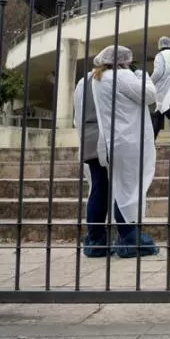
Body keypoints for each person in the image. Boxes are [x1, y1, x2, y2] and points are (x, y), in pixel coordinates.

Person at [87, 45, 160, 258]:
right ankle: (128, 237)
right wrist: (143, 76)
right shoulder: (122, 75)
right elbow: (149, 95)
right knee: (128, 188)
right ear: (121, 61)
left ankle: (110, 237)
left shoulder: (97, 78)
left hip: (110, 140)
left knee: (116, 187)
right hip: (127, 140)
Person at [73, 63, 109, 257]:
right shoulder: (114, 79)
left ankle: (95, 236)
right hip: (110, 137)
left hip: (89, 137)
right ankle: (119, 235)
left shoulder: (83, 81)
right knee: (117, 187)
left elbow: (78, 114)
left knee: (98, 187)